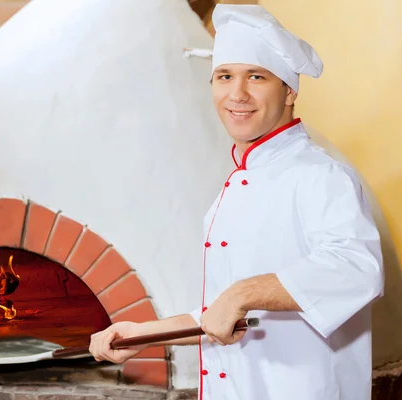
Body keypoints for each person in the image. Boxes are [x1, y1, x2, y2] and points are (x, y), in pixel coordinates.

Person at [89, 4, 384, 400]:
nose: (237, 94)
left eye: (256, 77)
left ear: (290, 90)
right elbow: (228, 314)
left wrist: (240, 293)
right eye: (225, 76)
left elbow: (357, 268)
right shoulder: (242, 179)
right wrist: (144, 333)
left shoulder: (320, 175)